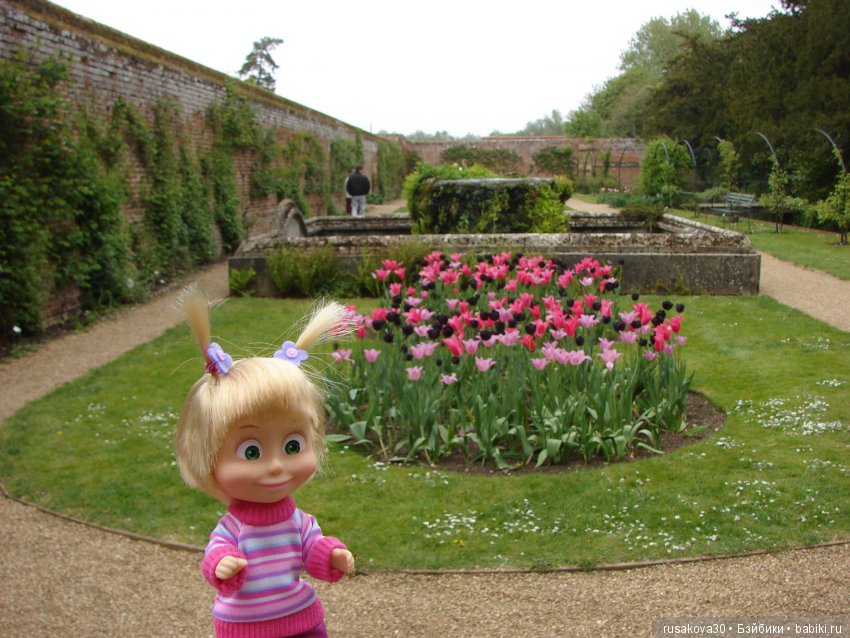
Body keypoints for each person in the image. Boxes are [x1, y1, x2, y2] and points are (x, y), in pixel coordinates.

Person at [175, 288, 355, 638]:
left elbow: (312, 549)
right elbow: (215, 557)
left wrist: (331, 554)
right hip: (244, 628)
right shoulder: (233, 529)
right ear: (206, 456)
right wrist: (223, 566)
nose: (275, 466)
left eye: (292, 445)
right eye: (252, 452)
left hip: (303, 619)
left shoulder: (298, 522)